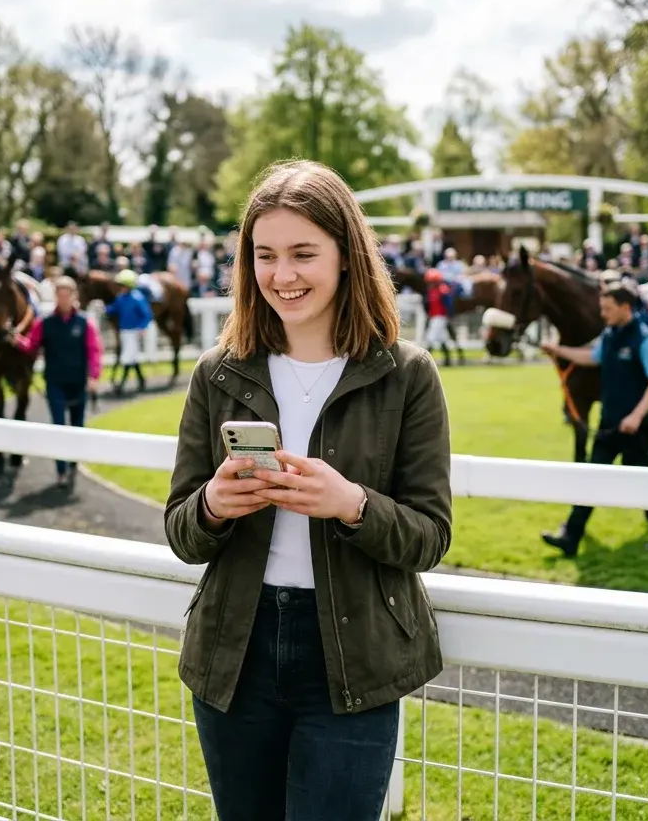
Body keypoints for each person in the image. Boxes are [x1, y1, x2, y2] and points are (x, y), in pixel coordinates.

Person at [164, 159, 452, 820]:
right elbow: (180, 529)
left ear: (346, 256)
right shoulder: (219, 372)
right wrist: (213, 505)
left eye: (302, 254)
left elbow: (430, 537)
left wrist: (350, 505)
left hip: (354, 656)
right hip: (235, 652)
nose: (282, 276)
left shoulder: (406, 375)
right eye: (264, 255)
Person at [540, 286, 648, 555]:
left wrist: (636, 416)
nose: (603, 314)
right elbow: (592, 357)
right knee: (591, 479)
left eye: (608, 308)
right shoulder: (610, 334)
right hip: (610, 424)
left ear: (625, 307)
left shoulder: (646, 340)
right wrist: (558, 350)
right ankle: (571, 536)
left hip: (639, 427)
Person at [15, 276, 103, 489]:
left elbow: (94, 351)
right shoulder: (44, 323)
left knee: (77, 426)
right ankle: (61, 471)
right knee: (58, 426)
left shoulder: (84, 323)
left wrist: (94, 376)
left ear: (74, 296)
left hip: (78, 382)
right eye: (59, 295)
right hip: (54, 382)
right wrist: (16, 340)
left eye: (66, 295)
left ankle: (73, 462)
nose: (63, 299)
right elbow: (32, 346)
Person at [105, 269, 153, 395]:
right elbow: (113, 309)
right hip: (124, 331)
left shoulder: (137, 298)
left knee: (127, 357)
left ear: (129, 285)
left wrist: (142, 327)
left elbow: (147, 315)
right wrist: (103, 308)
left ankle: (121, 385)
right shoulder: (121, 298)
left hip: (134, 332)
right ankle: (141, 380)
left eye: (123, 285)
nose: (121, 288)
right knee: (132, 357)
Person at [423, 267, 458, 366]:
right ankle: (448, 361)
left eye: (431, 282)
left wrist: (449, 317)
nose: (430, 284)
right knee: (442, 339)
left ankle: (424, 362)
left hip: (440, 318)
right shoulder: (431, 291)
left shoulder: (443, 291)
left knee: (431, 338)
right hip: (434, 317)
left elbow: (449, 305)